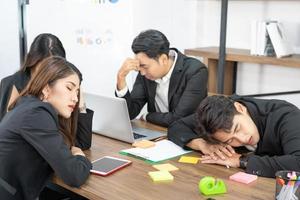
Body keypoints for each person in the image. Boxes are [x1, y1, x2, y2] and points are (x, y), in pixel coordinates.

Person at [0, 56, 91, 200]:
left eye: (77, 92)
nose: (75, 98)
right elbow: (74, 175)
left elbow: (77, 143)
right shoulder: (36, 115)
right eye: (69, 88)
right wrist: (80, 157)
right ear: (46, 88)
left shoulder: (29, 106)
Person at [168, 95, 300, 178]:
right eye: (230, 140)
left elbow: (297, 162)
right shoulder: (216, 115)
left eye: (237, 128)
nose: (242, 139)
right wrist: (203, 144)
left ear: (240, 108)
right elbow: (176, 127)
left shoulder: (287, 116)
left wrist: (241, 161)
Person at [0, 33, 93, 150]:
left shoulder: (63, 87)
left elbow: (83, 142)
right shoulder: (12, 83)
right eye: (43, 68)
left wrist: (77, 91)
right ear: (32, 63)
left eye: (53, 68)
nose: (47, 74)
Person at [116, 29, 208, 127]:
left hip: (185, 134)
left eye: (145, 66)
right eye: (139, 67)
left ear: (163, 59)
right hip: (156, 130)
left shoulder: (195, 71)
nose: (142, 73)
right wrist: (120, 77)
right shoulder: (144, 71)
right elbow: (130, 113)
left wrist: (147, 116)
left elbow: (178, 118)